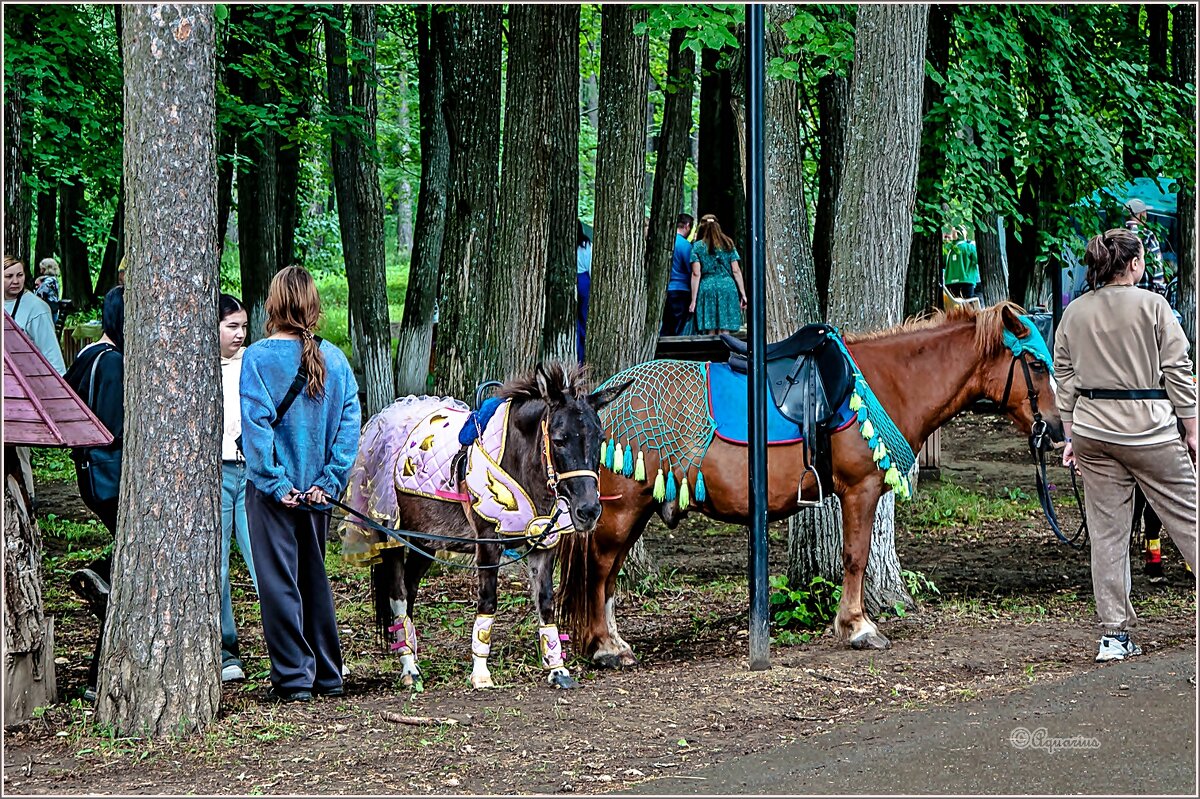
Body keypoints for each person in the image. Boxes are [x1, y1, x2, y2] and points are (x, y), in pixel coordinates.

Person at [1055, 227, 1197, 663]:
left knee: (1107, 534)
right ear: (1134, 264)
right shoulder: (1154, 306)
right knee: (1190, 519)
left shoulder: (1074, 312)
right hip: (1149, 430)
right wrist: (1193, 428)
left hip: (1093, 431)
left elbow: (1064, 375)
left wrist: (1070, 434)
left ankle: (1114, 636)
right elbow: (1178, 369)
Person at [241, 265, 361, 702]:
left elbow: (256, 429)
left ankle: (294, 678)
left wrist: (275, 483)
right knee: (314, 580)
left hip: (274, 495)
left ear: (273, 304)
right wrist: (328, 482)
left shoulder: (257, 358)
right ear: (313, 306)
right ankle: (328, 674)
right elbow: (349, 426)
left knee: (279, 584)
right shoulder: (337, 360)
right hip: (317, 493)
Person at [62, 285, 126, 702]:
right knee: (125, 570)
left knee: (125, 562)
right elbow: (115, 427)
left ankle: (102, 572)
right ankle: (98, 677)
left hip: (90, 476)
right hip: (113, 477)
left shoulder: (87, 355)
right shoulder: (115, 363)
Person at [218, 293, 259, 683]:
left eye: (244, 326)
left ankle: (289, 642)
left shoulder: (253, 364)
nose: (240, 334)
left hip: (252, 474)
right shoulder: (198, 367)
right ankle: (225, 648)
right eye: (232, 326)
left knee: (262, 558)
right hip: (215, 474)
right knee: (217, 566)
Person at [4, 254, 66, 375]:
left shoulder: (37, 309)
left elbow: (52, 355)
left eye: (20, 275)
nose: (16, 281)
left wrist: (59, 383)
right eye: (9, 276)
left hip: (28, 377)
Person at [688, 214, 746, 335]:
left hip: (707, 288)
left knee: (710, 327)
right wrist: (743, 294)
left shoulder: (697, 247)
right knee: (725, 327)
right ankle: (726, 347)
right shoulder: (728, 244)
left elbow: (696, 274)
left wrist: (693, 300)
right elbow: (736, 270)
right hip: (727, 287)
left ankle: (711, 346)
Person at [660, 213, 694, 336]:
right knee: (679, 328)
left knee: (666, 325)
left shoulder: (664, 243)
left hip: (665, 289)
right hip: (681, 290)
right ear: (687, 226)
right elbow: (691, 269)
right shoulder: (686, 246)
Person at [1124, 198, 1165, 293]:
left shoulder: (1116, 235)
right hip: (1144, 292)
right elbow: (1157, 266)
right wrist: (1160, 290)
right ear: (1142, 215)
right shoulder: (1147, 235)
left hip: (1121, 293)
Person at [943, 227, 979, 301]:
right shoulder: (969, 247)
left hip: (950, 282)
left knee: (954, 305)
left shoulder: (948, 249)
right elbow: (977, 260)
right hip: (966, 281)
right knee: (968, 304)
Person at [576, 219, 592, 364]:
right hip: (584, 282)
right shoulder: (586, 244)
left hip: (573, 279)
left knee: (574, 321)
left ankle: (577, 355)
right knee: (584, 317)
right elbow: (590, 265)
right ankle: (584, 357)